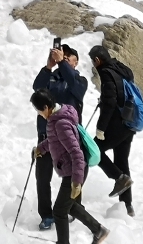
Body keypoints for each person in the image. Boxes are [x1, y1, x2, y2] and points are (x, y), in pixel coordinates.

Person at [30, 91, 110, 244]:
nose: (39, 114)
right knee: (69, 205)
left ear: (46, 107)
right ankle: (98, 230)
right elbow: (55, 141)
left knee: (59, 211)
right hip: (72, 168)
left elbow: (76, 153)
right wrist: (41, 148)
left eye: (39, 110)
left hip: (74, 170)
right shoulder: (57, 118)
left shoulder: (61, 124)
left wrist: (76, 182)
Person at [32, 41, 89, 227]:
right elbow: (37, 89)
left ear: (76, 62)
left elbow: (75, 87)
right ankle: (46, 215)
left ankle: (74, 209)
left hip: (68, 136)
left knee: (74, 173)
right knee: (43, 177)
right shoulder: (52, 78)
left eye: (68, 59)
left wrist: (62, 64)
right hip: (46, 136)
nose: (64, 61)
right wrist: (49, 66)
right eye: (61, 58)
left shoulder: (79, 81)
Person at [87, 45, 136, 215]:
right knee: (122, 161)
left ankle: (119, 178)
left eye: (93, 61)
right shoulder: (121, 68)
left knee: (93, 150)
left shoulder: (106, 73)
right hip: (129, 123)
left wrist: (101, 128)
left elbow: (110, 103)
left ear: (98, 60)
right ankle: (127, 206)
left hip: (116, 125)